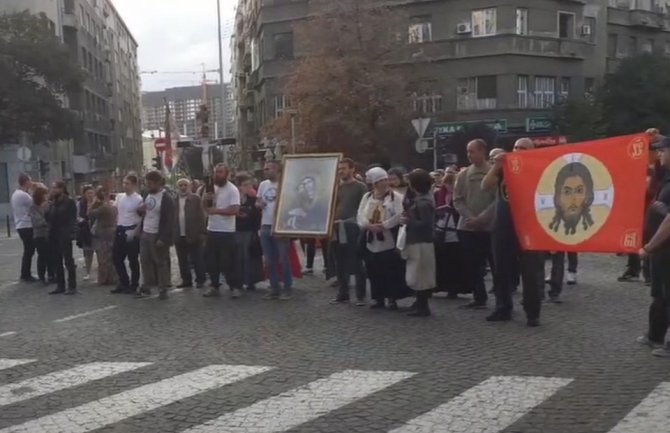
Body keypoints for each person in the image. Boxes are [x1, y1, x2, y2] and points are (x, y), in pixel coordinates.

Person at [483, 138, 544, 327]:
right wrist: (497, 166)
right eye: (516, 147)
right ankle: (503, 308)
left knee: (530, 272)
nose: (518, 150)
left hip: (529, 226)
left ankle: (532, 312)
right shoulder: (505, 167)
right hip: (503, 224)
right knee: (500, 268)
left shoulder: (538, 168)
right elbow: (486, 185)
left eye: (523, 148)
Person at [453, 139, 496, 309]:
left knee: (495, 264)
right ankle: (479, 296)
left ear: (482, 152)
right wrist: (470, 217)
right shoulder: (462, 175)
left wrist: (483, 218)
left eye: (472, 151)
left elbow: (498, 200)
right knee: (472, 264)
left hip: (490, 227)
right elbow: (457, 200)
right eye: (468, 151)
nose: (469, 155)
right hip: (467, 227)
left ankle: (501, 297)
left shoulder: (493, 173)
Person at [637, 136, 670, 358]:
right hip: (662, 252)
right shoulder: (665, 177)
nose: (659, 154)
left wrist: (649, 247)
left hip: (664, 248)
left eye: (663, 150)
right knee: (660, 294)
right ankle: (654, 335)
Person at [357, 167, 405, 310]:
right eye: (381, 180)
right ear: (375, 183)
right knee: (373, 270)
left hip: (388, 240)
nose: (385, 182)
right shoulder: (367, 197)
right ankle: (378, 298)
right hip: (371, 240)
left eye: (385, 180)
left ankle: (392, 298)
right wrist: (367, 225)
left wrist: (385, 225)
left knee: (389, 270)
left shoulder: (395, 197)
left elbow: (399, 215)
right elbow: (360, 214)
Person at [330, 157, 368, 305]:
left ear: (352, 169)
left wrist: (350, 221)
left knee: (357, 262)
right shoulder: (336, 188)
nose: (341, 171)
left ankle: (360, 296)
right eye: (339, 169)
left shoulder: (360, 187)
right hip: (335, 228)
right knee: (339, 262)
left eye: (344, 168)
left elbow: (364, 209)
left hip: (352, 229)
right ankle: (343, 293)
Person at [203, 163, 242, 299]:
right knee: (211, 261)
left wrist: (217, 211)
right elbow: (206, 208)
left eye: (220, 172)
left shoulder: (232, 190)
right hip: (212, 229)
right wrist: (205, 200)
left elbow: (235, 210)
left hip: (226, 231)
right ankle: (214, 285)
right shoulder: (211, 188)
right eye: (215, 172)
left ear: (227, 174)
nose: (217, 175)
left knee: (228, 261)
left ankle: (235, 286)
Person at [401, 169, 436, 317]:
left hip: (421, 241)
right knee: (417, 273)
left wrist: (410, 221)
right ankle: (419, 303)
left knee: (421, 274)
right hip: (417, 240)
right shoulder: (420, 199)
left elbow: (427, 223)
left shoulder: (423, 202)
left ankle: (423, 306)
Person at [258, 161, 293, 300]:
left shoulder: (285, 184)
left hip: (281, 225)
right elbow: (258, 202)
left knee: (283, 258)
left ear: (276, 169)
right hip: (265, 225)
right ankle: (274, 287)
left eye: (268, 169)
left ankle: (287, 287)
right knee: (269, 259)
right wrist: (259, 204)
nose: (265, 171)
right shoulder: (263, 185)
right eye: (264, 169)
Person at [137, 171, 176, 299]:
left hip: (157, 234)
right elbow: (143, 211)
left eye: (150, 183)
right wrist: (140, 210)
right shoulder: (147, 194)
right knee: (145, 260)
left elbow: (170, 221)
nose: (148, 185)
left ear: (158, 182)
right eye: (147, 183)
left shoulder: (166, 198)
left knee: (160, 262)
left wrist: (163, 238)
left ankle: (163, 287)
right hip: (145, 232)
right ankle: (148, 285)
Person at [434, 166, 464, 298]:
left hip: (454, 229)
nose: (449, 187)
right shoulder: (439, 193)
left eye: (451, 184)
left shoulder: (459, 194)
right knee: (441, 260)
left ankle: (454, 288)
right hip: (442, 228)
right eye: (447, 184)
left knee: (454, 261)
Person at [112, 174, 143, 294]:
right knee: (117, 258)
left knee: (133, 260)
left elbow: (140, 216)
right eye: (124, 183)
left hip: (131, 230)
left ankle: (134, 284)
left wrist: (136, 231)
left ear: (134, 185)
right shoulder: (120, 197)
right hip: (120, 228)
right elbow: (115, 210)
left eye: (127, 183)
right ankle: (123, 281)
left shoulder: (138, 199)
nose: (125, 186)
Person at [174, 178, 207, 289]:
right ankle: (186, 280)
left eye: (185, 185)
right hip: (179, 234)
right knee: (182, 260)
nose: (183, 187)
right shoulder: (175, 199)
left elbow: (201, 216)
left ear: (189, 186)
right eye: (181, 185)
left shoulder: (195, 199)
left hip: (194, 233)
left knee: (197, 259)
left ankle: (200, 280)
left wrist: (202, 232)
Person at [46, 181, 78, 295]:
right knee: (56, 260)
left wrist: (71, 233)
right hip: (53, 234)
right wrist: (49, 204)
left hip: (64, 234)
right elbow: (48, 217)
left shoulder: (69, 202)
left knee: (68, 261)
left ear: (62, 189)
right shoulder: (53, 202)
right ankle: (60, 285)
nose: (53, 190)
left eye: (55, 188)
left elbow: (71, 219)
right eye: (52, 188)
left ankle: (72, 286)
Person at [235, 173, 263, 291]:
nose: (248, 187)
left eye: (249, 184)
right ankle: (238, 281)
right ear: (239, 186)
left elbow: (257, 215)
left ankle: (251, 281)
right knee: (238, 257)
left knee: (250, 256)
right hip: (236, 230)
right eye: (245, 185)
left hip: (249, 230)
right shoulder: (234, 198)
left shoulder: (253, 198)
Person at [88, 187, 117, 286]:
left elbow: (90, 213)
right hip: (112, 230)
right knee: (111, 255)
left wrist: (92, 203)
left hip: (105, 232)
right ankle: (112, 276)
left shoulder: (103, 207)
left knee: (104, 256)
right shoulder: (112, 204)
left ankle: (105, 278)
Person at [28, 182, 55, 285]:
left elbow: (53, 218)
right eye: (45, 194)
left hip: (49, 234)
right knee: (42, 255)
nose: (47, 196)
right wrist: (45, 216)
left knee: (51, 255)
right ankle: (41, 277)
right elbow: (38, 221)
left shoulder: (50, 204)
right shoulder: (33, 207)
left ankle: (51, 275)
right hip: (39, 235)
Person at [11, 173, 35, 282]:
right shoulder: (23, 195)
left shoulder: (16, 194)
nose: (32, 183)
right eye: (30, 181)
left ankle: (25, 273)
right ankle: (25, 274)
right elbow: (35, 204)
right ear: (26, 182)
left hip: (21, 225)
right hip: (26, 225)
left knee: (28, 250)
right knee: (29, 250)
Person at [76, 185, 96, 280]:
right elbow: (78, 216)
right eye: (88, 193)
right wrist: (83, 220)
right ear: (84, 194)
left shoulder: (97, 203)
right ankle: (88, 272)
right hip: (85, 230)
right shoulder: (80, 204)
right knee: (88, 252)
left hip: (97, 230)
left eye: (92, 193)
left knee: (99, 252)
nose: (90, 195)